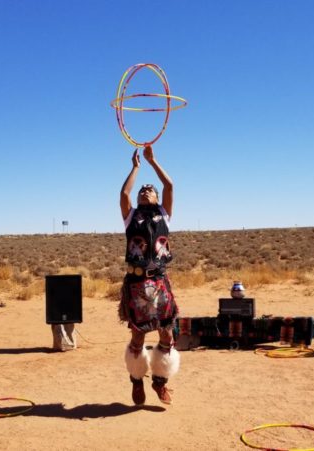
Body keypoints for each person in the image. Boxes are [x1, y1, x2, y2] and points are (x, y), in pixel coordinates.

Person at [118, 144, 180, 405]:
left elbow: (170, 186)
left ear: (156, 198)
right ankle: (136, 383)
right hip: (136, 283)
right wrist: (135, 167)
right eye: (143, 190)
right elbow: (124, 192)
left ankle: (160, 383)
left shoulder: (163, 214)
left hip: (159, 281)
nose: (145, 191)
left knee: (167, 335)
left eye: (149, 190)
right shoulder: (131, 216)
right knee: (138, 336)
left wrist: (153, 161)